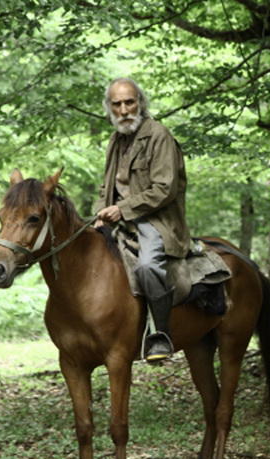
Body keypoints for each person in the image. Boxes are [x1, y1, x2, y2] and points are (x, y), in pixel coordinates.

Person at [94, 77, 191, 364]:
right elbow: (105, 188)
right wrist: (101, 213)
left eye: (129, 102)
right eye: (117, 104)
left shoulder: (159, 134)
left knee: (148, 267)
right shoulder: (115, 140)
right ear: (109, 108)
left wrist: (122, 209)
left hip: (156, 220)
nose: (124, 110)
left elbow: (165, 188)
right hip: (120, 219)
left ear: (140, 103)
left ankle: (160, 334)